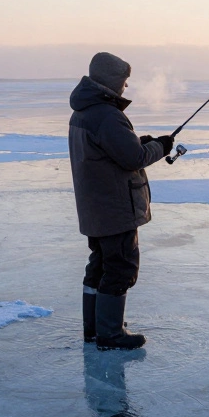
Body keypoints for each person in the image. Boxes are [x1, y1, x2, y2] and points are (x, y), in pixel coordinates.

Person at [68, 52, 174, 350]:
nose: (126, 87)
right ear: (113, 82)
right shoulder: (106, 114)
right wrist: (159, 146)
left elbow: (109, 152)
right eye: (124, 82)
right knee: (120, 267)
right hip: (114, 207)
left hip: (95, 206)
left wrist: (138, 142)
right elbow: (133, 158)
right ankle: (110, 334)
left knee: (100, 265)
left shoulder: (84, 111)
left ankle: (96, 328)